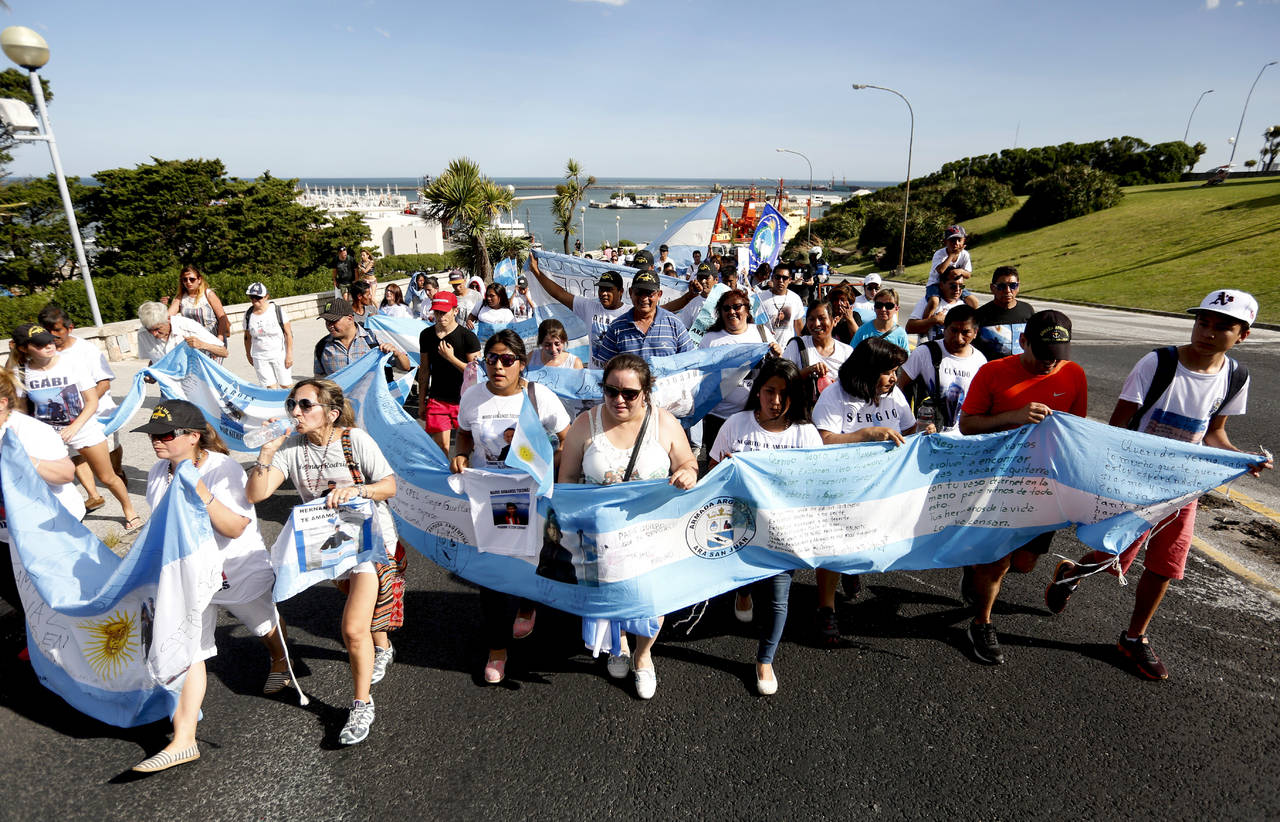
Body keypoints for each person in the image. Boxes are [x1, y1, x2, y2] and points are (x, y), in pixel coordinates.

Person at [1044, 290, 1271, 680]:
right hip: (1134, 482)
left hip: (1184, 487)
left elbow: (1214, 433)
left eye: (1222, 327)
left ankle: (1134, 637)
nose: (1208, 333)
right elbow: (1119, 425)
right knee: (1116, 556)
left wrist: (1241, 457)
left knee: (1166, 565)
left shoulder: (1235, 376)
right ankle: (1072, 573)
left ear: (1243, 335)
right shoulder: (1159, 363)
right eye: (1203, 322)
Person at [129, 400, 288, 773]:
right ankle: (184, 740)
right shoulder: (158, 472)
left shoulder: (222, 468)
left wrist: (200, 491)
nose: (156, 441)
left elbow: (234, 527)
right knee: (189, 650)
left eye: (166, 434)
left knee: (263, 625)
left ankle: (281, 657)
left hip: (234, 567)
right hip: (188, 575)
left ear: (193, 436)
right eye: (152, 435)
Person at [246, 379, 404, 746]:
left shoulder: (354, 440)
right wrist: (267, 451)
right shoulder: (291, 450)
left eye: (305, 405)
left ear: (331, 414)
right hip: (327, 546)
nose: (295, 412)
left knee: (352, 628)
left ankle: (361, 705)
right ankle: (382, 646)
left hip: (368, 542)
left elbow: (389, 486)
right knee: (360, 607)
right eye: (292, 404)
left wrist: (357, 489)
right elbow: (256, 493)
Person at [558, 354, 698, 699]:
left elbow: (688, 462)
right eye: (611, 391)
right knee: (611, 594)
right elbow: (568, 479)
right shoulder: (584, 424)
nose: (619, 399)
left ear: (646, 392)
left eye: (630, 393)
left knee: (652, 598)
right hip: (599, 534)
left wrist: (687, 473)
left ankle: (643, 654)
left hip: (653, 533)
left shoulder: (665, 423)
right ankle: (618, 642)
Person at [957, 310, 1088, 665]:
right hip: (997, 481)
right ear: (1023, 341)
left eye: (1056, 355)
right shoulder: (993, 372)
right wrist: (1013, 417)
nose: (1049, 362)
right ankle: (981, 623)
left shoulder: (1074, 374)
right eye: (1042, 353)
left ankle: (975, 568)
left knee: (1025, 564)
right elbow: (967, 424)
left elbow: (1076, 429)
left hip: (1043, 484)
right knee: (997, 562)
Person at [452, 330, 571, 683]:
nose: (498, 367)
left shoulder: (539, 397)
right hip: (488, 499)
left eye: (507, 360)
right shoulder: (472, 397)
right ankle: (497, 650)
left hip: (531, 499)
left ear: (521, 363)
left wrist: (551, 475)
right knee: (491, 575)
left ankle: (528, 603)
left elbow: (566, 439)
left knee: (529, 562)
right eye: (492, 359)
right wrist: (461, 454)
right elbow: (464, 433)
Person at [706, 358, 822, 695]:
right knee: (743, 578)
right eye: (770, 391)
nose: (776, 400)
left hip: (783, 533)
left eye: (785, 393)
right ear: (758, 391)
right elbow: (711, 475)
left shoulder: (806, 433)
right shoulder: (735, 425)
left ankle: (765, 659)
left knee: (777, 600)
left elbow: (817, 483)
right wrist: (724, 471)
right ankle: (743, 592)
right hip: (738, 529)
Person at [810, 337, 928, 644]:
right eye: (887, 371)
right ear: (867, 370)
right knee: (834, 544)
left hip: (880, 488)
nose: (894, 378)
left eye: (896, 371)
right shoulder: (835, 395)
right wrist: (866, 434)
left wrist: (924, 433)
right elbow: (822, 440)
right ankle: (826, 607)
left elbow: (908, 430)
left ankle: (850, 569)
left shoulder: (894, 394)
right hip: (842, 487)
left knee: (861, 539)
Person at [9, 323, 143, 532]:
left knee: (107, 477)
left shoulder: (71, 363)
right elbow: (22, 409)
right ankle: (68, 518)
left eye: (49, 341)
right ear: (24, 348)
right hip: (49, 436)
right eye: (40, 345)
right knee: (56, 482)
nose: (49, 346)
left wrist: (74, 427)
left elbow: (92, 401)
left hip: (83, 428)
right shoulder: (21, 372)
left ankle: (129, 510)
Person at [0, 368, 82, 617]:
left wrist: (21, 459)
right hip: (8, 536)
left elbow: (65, 474)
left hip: (51, 531)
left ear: (2, 403)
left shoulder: (28, 430)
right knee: (25, 600)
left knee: (66, 599)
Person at [37, 303, 124, 512]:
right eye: (47, 331)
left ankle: (118, 471)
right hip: (66, 419)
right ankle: (94, 495)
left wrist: (84, 405)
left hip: (99, 413)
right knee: (75, 453)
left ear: (70, 328)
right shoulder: (42, 353)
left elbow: (104, 383)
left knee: (110, 455)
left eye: (57, 330)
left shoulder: (87, 350)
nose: (52, 335)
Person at [698, 289, 780, 453]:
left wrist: (777, 355)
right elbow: (699, 375)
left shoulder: (761, 332)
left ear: (747, 309)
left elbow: (777, 371)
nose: (732, 312)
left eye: (737, 306)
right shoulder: (710, 339)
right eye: (726, 308)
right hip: (718, 418)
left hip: (755, 418)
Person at [897, 304, 986, 433]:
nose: (958, 338)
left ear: (975, 333)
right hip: (927, 436)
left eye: (965, 332)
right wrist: (910, 425)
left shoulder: (980, 361)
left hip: (962, 438)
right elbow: (899, 388)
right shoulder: (924, 353)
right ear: (944, 329)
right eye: (953, 330)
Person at [417, 291, 482, 456]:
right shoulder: (426, 335)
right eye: (437, 312)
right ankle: (444, 474)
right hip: (438, 399)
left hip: (466, 400)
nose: (440, 316)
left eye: (444, 312)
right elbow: (424, 370)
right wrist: (421, 401)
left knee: (470, 450)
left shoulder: (468, 337)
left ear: (455, 311)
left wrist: (451, 358)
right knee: (441, 449)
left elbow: (477, 374)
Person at [527, 255, 629, 356]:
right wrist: (536, 271)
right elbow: (559, 294)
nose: (603, 293)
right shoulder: (590, 308)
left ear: (620, 291)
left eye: (609, 290)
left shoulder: (630, 313)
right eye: (601, 289)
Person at [594, 270, 695, 365]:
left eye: (649, 293)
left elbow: (690, 361)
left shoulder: (675, 324)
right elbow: (605, 366)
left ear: (659, 294)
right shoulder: (616, 328)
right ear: (630, 293)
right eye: (639, 292)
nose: (644, 298)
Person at [785, 300, 853, 412]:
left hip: (838, 413)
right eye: (811, 319)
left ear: (834, 320)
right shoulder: (797, 346)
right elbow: (783, 379)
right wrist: (809, 370)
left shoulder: (847, 351)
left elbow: (855, 387)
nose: (816, 324)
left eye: (822, 318)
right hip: (804, 414)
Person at [312, 298, 410, 378]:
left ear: (350, 318)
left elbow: (405, 367)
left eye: (333, 321)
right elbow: (320, 379)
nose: (329, 325)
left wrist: (397, 354)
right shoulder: (322, 347)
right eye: (326, 321)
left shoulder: (374, 339)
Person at [973, 266, 1036, 361]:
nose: (1007, 290)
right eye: (1001, 286)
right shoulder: (980, 315)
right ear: (992, 288)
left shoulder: (1027, 310)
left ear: (1018, 286)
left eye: (1013, 285)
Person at [138, 301, 229, 366]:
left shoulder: (187, 326)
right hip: (169, 385)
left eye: (158, 329)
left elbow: (223, 352)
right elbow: (155, 360)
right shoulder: (143, 334)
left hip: (197, 382)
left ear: (168, 319)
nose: (154, 334)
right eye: (149, 330)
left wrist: (202, 345)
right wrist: (151, 374)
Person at [167, 265, 230, 353]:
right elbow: (168, 316)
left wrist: (219, 340)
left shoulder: (208, 294)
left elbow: (222, 318)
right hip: (194, 341)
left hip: (212, 338)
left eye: (192, 279)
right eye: (185, 279)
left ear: (199, 280)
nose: (188, 282)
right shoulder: (181, 297)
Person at [242, 282, 294, 389]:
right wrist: (248, 354)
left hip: (279, 355)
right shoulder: (248, 315)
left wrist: (289, 354)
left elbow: (288, 334)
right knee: (269, 388)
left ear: (266, 296)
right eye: (252, 297)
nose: (255, 300)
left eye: (258, 297)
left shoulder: (276, 311)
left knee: (286, 385)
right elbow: (247, 337)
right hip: (260, 357)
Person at [907, 271, 979, 343]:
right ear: (941, 285)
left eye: (961, 286)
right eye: (953, 286)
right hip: (932, 348)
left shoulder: (965, 305)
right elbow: (909, 328)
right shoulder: (929, 302)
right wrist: (934, 320)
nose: (957, 289)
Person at [757, 264, 807, 347]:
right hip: (766, 348)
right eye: (777, 277)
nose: (781, 280)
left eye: (785, 278)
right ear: (772, 278)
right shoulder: (760, 298)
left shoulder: (795, 299)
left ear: (790, 280)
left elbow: (798, 325)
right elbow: (755, 325)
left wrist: (802, 347)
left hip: (788, 349)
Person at [849, 287, 910, 353]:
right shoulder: (863, 331)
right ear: (874, 308)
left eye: (889, 306)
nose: (883, 309)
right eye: (879, 305)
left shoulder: (901, 334)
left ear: (896, 309)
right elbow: (852, 354)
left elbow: (906, 358)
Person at [926, 225, 973, 299]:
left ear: (964, 241)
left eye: (959, 240)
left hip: (956, 285)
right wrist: (952, 254)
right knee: (934, 301)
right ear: (945, 242)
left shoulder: (965, 254)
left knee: (973, 301)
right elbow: (940, 270)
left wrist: (960, 271)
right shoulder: (939, 254)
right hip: (936, 284)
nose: (956, 243)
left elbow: (968, 275)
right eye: (952, 240)